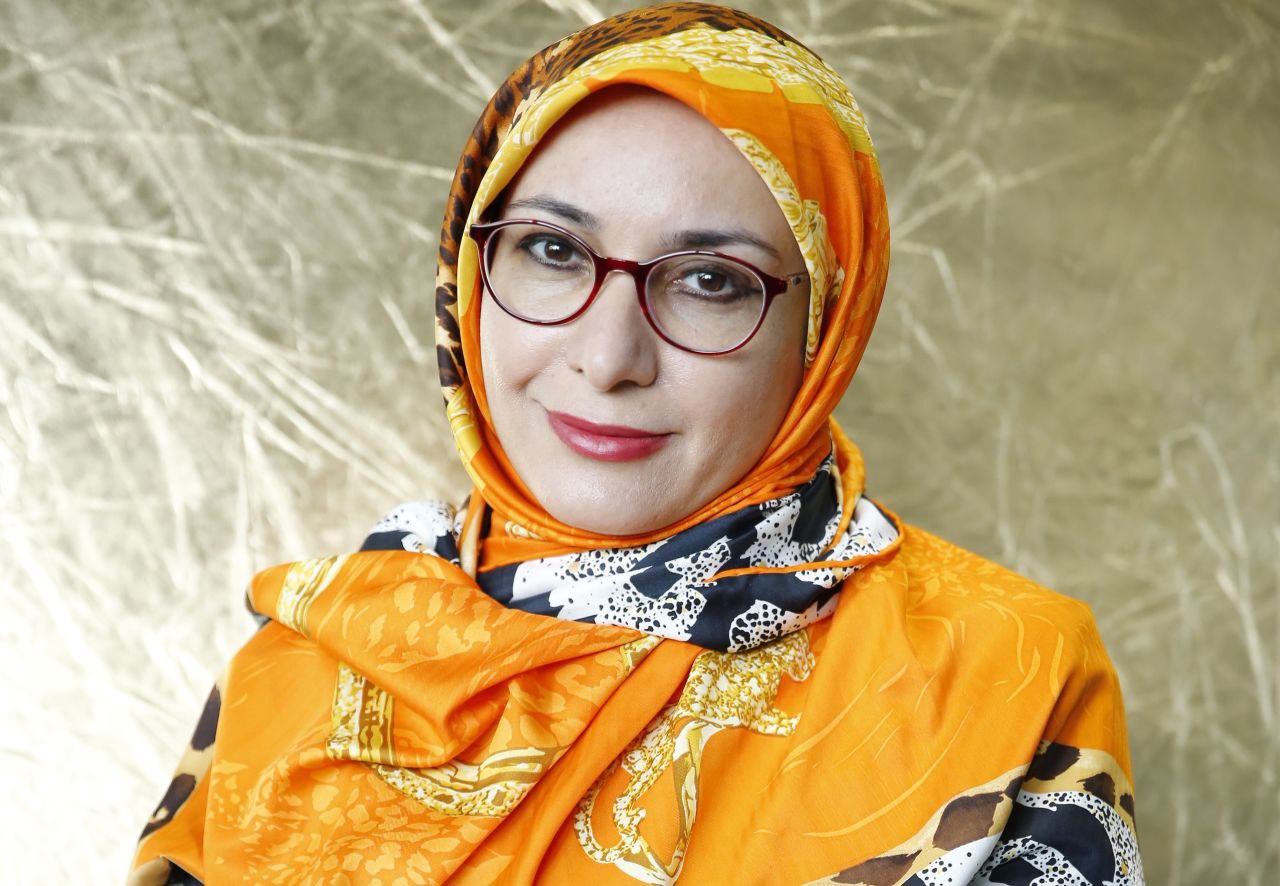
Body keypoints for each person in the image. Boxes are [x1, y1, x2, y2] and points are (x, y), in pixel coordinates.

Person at [128, 4, 1143, 884]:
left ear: (823, 327)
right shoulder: (306, 659)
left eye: (710, 280)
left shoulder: (999, 672)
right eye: (552, 250)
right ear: (468, 277)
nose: (609, 357)